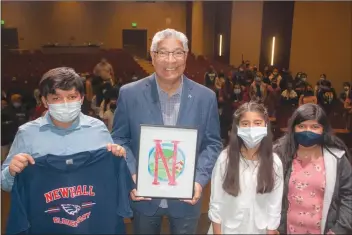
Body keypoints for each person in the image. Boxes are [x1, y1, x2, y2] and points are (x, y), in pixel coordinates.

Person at [112, 28, 223, 234]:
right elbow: (119, 138)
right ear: (152, 56)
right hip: (144, 196)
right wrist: (133, 174)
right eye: (163, 52)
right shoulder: (129, 94)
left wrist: (199, 180)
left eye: (177, 53)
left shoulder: (205, 97)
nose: (170, 60)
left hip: (186, 197)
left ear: (186, 56)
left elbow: (212, 144)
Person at [1, 67, 126, 192]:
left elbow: (111, 176)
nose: (65, 103)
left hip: (90, 207)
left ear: (81, 99)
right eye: (57, 98)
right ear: (45, 101)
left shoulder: (98, 129)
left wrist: (118, 157)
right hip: (43, 208)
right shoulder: (27, 133)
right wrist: (11, 172)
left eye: (72, 97)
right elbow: (5, 184)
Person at [274, 104, 352, 234]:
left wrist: (339, 229)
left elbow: (348, 196)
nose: (307, 131)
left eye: (315, 127)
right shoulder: (280, 156)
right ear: (293, 129)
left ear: (323, 130)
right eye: (302, 126)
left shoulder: (337, 159)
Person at [209, 101, 283, 234]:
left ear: (266, 126)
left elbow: (274, 206)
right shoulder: (225, 159)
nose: (251, 128)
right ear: (237, 128)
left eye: (257, 123)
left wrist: (271, 230)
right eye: (245, 124)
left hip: (259, 229)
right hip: (228, 229)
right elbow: (216, 203)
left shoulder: (275, 162)